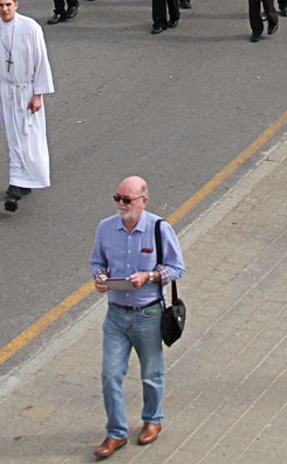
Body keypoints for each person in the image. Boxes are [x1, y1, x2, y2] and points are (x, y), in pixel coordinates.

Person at [89, 176, 185, 459]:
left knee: (151, 374)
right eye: (117, 198)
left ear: (143, 201)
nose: (121, 204)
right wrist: (100, 278)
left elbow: (177, 268)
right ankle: (116, 433)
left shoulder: (159, 228)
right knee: (110, 375)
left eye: (126, 200)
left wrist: (151, 276)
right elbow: (97, 261)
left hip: (148, 314)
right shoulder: (106, 228)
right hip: (116, 315)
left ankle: (152, 420)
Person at [0, 0, 56, 213]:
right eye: (0, 5)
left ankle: (19, 183)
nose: (4, 9)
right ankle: (20, 181)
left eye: (8, 5)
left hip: (25, 90)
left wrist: (38, 94)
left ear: (16, 5)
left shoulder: (30, 27)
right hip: (5, 90)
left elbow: (41, 61)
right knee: (13, 135)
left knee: (26, 135)